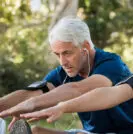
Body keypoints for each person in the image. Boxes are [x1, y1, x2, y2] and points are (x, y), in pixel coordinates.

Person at [0, 17, 132, 134]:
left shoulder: (112, 64)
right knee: (36, 132)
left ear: (85, 46)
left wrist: (38, 104)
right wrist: (4, 107)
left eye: (67, 53)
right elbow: (37, 92)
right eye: (57, 54)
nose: (62, 62)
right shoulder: (63, 73)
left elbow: (78, 89)